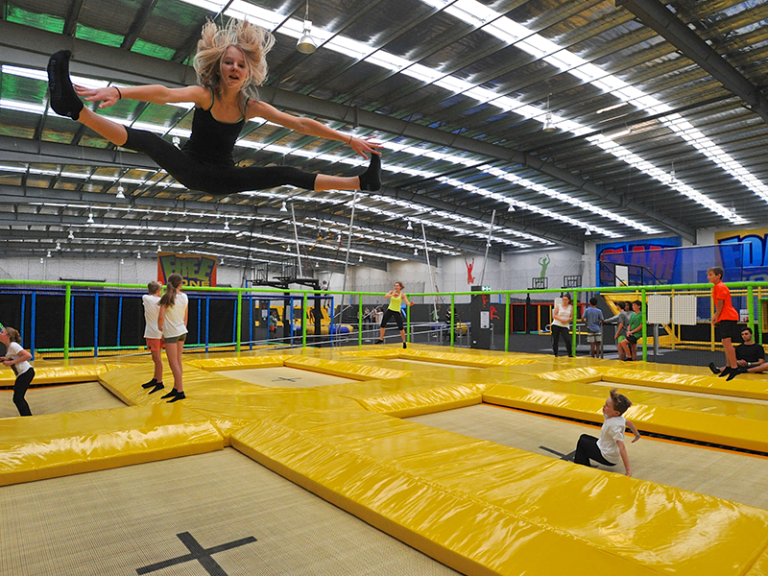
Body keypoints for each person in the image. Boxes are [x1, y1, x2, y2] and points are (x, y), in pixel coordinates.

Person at [46, 18, 382, 198]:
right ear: (219, 68)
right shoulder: (204, 95)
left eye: (241, 65)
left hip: (223, 177)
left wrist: (348, 138)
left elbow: (300, 124)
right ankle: (75, 109)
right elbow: (165, 94)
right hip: (190, 167)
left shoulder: (250, 107)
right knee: (147, 139)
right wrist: (119, 91)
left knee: (285, 173)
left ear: (248, 72)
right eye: (228, 63)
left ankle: (360, 183)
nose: (234, 68)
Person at [574, 388, 641, 477]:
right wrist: (637, 435)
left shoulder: (614, 426)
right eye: (605, 404)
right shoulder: (616, 417)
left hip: (607, 458)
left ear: (616, 413)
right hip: (605, 449)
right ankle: (582, 462)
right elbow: (629, 423)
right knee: (584, 437)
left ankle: (581, 467)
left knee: (582, 442)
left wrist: (628, 470)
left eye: (607, 406)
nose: (604, 406)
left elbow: (622, 447)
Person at [156, 273, 188, 402]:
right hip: (182, 331)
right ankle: (176, 388)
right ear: (180, 284)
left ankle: (180, 390)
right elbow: (185, 317)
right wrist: (182, 327)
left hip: (171, 333)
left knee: (173, 362)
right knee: (178, 361)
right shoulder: (184, 297)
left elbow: (161, 316)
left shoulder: (167, 297)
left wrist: (160, 328)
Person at [708, 266, 740, 381]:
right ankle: (728, 366)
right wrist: (717, 316)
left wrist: (716, 316)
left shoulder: (720, 287)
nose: (708, 277)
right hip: (725, 316)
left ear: (718, 276)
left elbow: (720, 304)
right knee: (725, 342)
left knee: (727, 342)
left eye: (711, 275)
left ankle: (734, 367)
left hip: (728, 317)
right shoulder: (717, 287)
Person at [0, 327, 35, 417]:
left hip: (26, 372)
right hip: (22, 374)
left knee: (18, 398)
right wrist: (6, 359)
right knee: (18, 398)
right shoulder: (9, 347)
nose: (0, 334)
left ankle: (27, 417)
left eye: (2, 332)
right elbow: (16, 357)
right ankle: (27, 417)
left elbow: (28, 355)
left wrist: (11, 362)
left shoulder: (13, 345)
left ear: (8, 336)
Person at [141, 281, 165, 393]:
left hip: (153, 333)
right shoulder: (160, 301)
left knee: (157, 358)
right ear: (158, 290)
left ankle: (159, 382)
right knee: (156, 358)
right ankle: (156, 378)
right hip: (157, 332)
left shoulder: (146, 298)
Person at [376, 282, 413, 349]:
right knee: (383, 324)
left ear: (400, 287)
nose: (396, 287)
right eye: (395, 286)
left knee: (401, 327)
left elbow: (407, 303)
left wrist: (410, 304)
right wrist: (392, 295)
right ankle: (381, 339)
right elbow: (386, 296)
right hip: (390, 309)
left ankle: (404, 342)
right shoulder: (392, 292)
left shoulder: (402, 295)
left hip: (397, 311)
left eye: (397, 286)